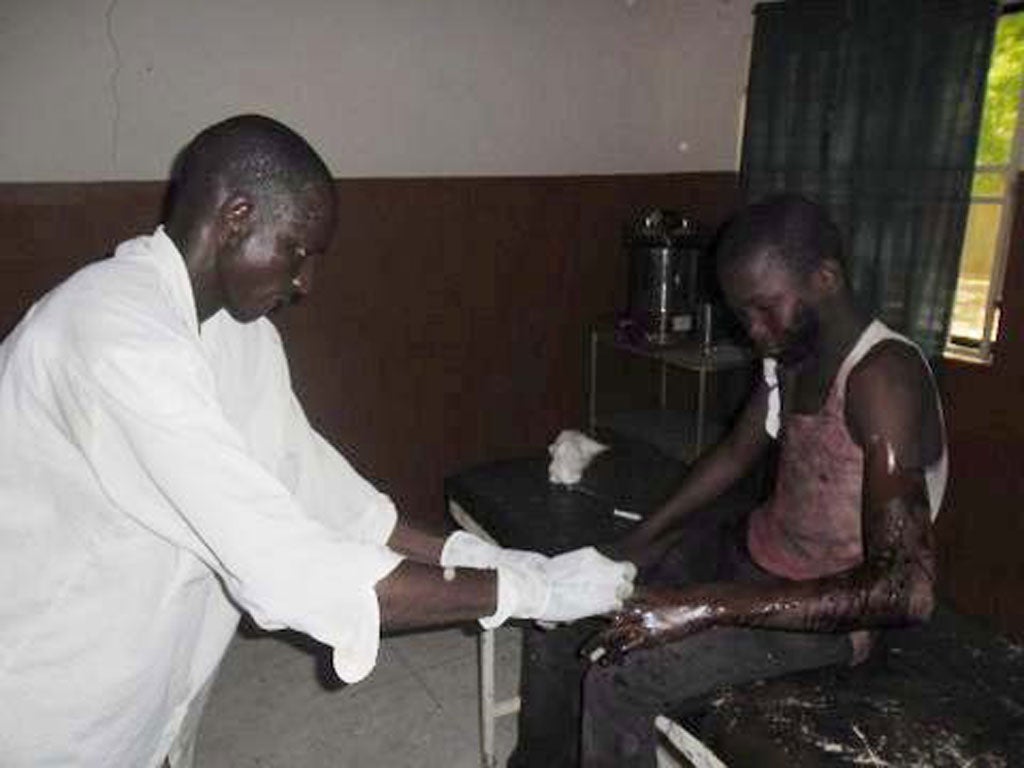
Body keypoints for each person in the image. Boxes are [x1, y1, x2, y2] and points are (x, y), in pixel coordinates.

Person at [0, 115, 634, 768]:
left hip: (142, 692)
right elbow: (289, 565)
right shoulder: (112, 338)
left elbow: (321, 493)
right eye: (297, 250)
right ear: (237, 216)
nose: (306, 282)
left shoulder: (235, 334)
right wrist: (532, 593)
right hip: (46, 702)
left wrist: (476, 555)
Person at [509, 194, 947, 767]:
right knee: (564, 615)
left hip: (824, 611)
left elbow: (903, 591)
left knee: (619, 674)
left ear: (826, 277)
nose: (758, 334)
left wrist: (703, 606)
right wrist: (629, 548)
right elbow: (735, 456)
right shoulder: (792, 353)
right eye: (746, 317)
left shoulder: (884, 377)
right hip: (752, 557)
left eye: (766, 310)